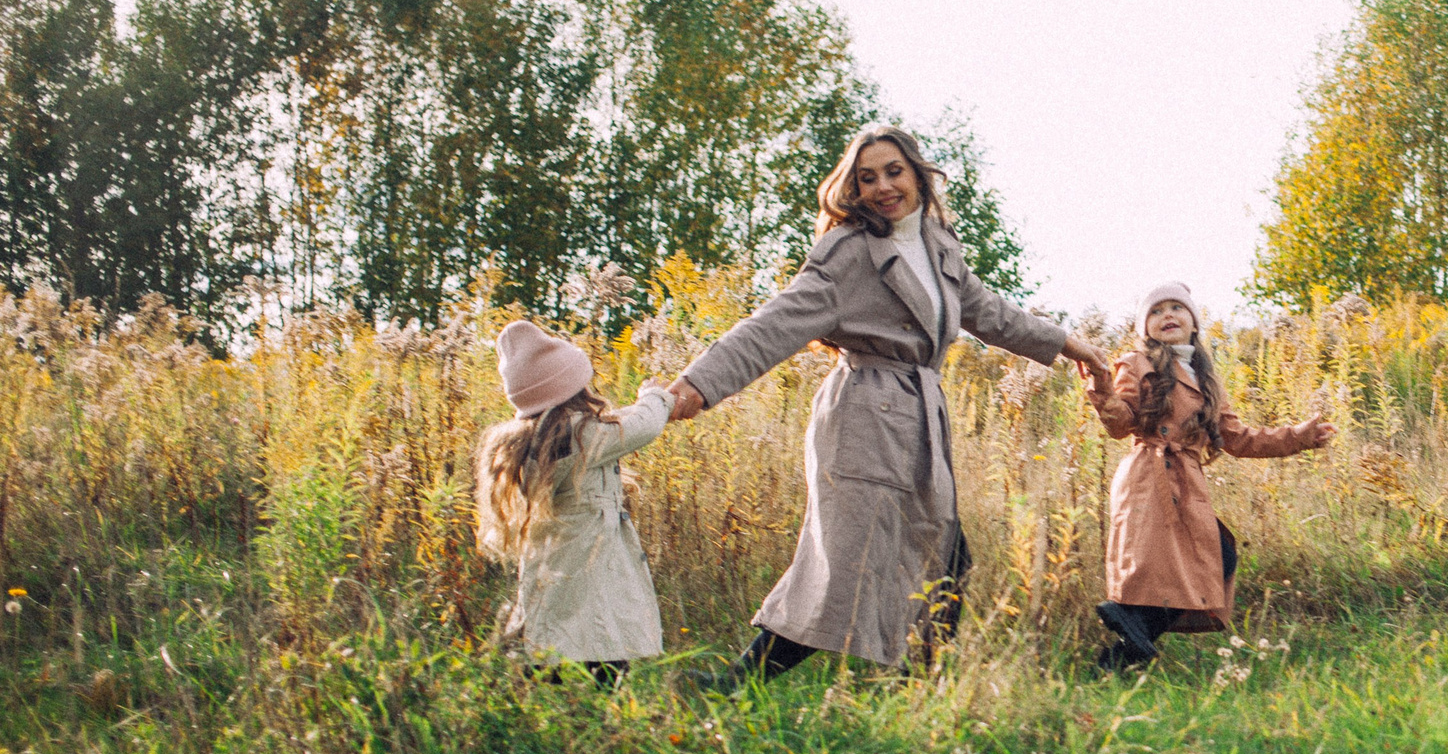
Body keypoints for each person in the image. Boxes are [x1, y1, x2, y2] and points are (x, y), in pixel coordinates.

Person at [663, 121, 1106, 688]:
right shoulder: (848, 252)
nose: (882, 187)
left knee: (944, 559)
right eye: (867, 177)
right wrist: (698, 384)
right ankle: (739, 683)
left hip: (921, 419)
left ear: (918, 175)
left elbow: (991, 313)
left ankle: (917, 690)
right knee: (845, 566)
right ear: (853, 187)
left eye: (893, 172)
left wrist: (1072, 345)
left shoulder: (939, 247)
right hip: (864, 417)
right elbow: (773, 324)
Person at [1084, 281, 1334, 669]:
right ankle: (1130, 623)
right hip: (1149, 476)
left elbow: (1238, 438)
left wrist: (1298, 437)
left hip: (1187, 479)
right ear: (1144, 327)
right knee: (1174, 563)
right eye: (1156, 311)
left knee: (1218, 556)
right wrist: (1101, 387)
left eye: (1176, 308)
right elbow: (1121, 424)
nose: (1167, 315)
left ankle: (1127, 647)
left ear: (1194, 322)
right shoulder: (1135, 363)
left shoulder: (1207, 378)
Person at [474, 319, 674, 688]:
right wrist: (654, 397)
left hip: (554, 555)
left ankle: (539, 703)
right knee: (603, 634)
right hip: (591, 556)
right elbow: (642, 426)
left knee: (552, 632)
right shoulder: (583, 436)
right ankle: (601, 712)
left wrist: (644, 406)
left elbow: (614, 426)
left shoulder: (549, 437)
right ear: (572, 389)